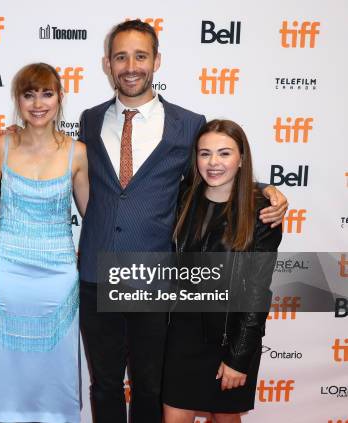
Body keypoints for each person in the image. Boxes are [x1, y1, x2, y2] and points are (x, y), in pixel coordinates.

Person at [77, 20, 288, 423]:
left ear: (156, 61)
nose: (130, 65)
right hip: (97, 274)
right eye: (121, 56)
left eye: (140, 55)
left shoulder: (190, 123)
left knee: (150, 385)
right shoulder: (88, 120)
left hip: (155, 277)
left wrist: (269, 191)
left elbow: (215, 173)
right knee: (104, 385)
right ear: (107, 63)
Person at [0, 63, 88, 423]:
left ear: (60, 98)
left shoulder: (78, 152)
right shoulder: (0, 147)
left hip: (58, 281)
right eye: (29, 94)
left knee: (55, 373)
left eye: (46, 93)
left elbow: (95, 216)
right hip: (7, 276)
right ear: (18, 99)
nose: (38, 103)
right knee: (5, 370)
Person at [163, 119, 282, 423]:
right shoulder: (182, 198)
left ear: (241, 158)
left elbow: (257, 294)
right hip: (181, 336)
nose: (213, 162)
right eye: (205, 154)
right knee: (174, 415)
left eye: (224, 153)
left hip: (230, 338)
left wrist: (239, 358)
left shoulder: (261, 213)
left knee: (225, 417)